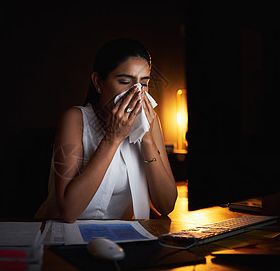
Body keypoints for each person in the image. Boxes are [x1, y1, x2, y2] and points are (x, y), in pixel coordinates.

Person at [35, 38, 177, 222]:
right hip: (61, 237)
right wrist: (113, 137)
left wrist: (147, 138)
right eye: (125, 81)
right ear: (98, 83)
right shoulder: (75, 119)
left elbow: (166, 206)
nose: (136, 92)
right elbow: (68, 213)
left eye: (143, 83)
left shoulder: (150, 121)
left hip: (120, 239)